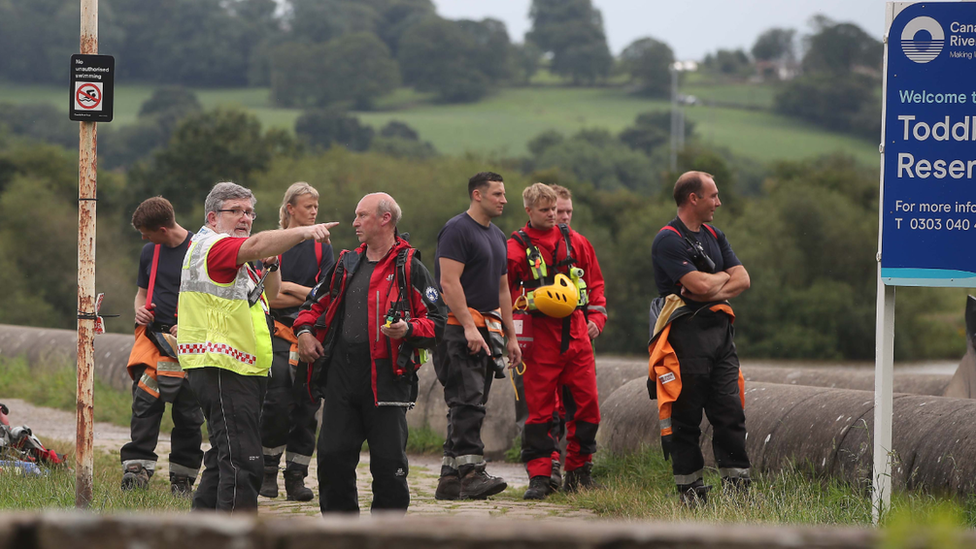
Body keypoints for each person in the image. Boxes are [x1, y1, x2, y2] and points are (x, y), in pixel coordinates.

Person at [177, 182, 338, 512]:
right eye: (234, 211)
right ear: (212, 217)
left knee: (222, 462)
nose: (244, 218)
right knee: (244, 463)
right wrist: (305, 232)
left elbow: (274, 294)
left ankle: (199, 535)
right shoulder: (216, 246)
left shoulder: (235, 257)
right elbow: (258, 242)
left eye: (249, 212)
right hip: (223, 368)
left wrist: (272, 264)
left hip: (237, 369)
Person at [295, 192, 446, 514]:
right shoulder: (345, 264)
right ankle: (340, 536)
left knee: (390, 466)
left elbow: (438, 321)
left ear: (385, 219)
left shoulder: (412, 268)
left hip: (388, 377)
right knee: (332, 458)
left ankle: (385, 538)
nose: (354, 222)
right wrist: (305, 332)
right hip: (340, 375)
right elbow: (312, 306)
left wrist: (408, 329)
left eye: (362, 215)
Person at [648, 171, 751, 508]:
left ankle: (739, 493)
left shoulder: (714, 234)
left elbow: (743, 279)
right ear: (693, 198)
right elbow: (705, 288)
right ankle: (691, 494)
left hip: (720, 336)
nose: (718, 203)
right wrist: (715, 283)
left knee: (730, 412)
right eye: (713, 196)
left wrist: (709, 282)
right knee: (686, 418)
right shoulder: (668, 239)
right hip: (684, 337)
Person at [506, 183, 605, 500]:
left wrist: (596, 320)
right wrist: (516, 330)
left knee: (588, 408)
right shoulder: (515, 248)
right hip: (539, 341)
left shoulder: (577, 242)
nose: (553, 216)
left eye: (556, 210)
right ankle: (541, 475)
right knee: (539, 413)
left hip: (577, 337)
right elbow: (503, 293)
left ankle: (579, 470)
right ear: (529, 211)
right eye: (546, 211)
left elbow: (595, 285)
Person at [432, 172, 522, 501]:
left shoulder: (497, 236)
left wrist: (511, 337)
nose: (504, 199)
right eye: (497, 193)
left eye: (504, 193)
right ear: (477, 195)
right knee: (467, 401)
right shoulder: (457, 230)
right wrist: (469, 326)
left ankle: (449, 479)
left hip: (489, 329)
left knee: (470, 403)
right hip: (457, 328)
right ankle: (471, 474)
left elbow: (503, 289)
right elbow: (449, 283)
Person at [121, 196, 203, 496]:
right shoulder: (148, 252)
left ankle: (182, 479)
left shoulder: (200, 251)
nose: (143, 238)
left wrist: (190, 325)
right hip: (153, 342)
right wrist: (139, 309)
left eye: (146, 232)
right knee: (144, 405)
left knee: (189, 414)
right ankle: (136, 470)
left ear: (163, 229)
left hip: (190, 346)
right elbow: (141, 293)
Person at [258, 182, 335, 502]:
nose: (314, 212)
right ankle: (267, 469)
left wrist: (293, 290)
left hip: (312, 333)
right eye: (308, 206)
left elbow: (327, 295)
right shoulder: (270, 242)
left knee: (306, 405)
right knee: (276, 402)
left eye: (316, 206)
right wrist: (304, 293)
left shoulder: (323, 247)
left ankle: (297, 476)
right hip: (274, 332)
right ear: (290, 208)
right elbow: (266, 297)